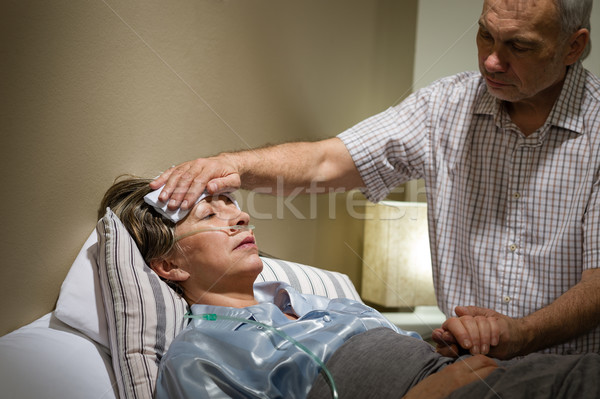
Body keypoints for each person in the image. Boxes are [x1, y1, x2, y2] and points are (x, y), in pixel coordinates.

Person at [149, 0, 600, 359]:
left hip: (571, 367)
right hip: (462, 362)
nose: (492, 61)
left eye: (518, 46)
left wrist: (520, 335)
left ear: (573, 46)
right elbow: (326, 162)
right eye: (485, 34)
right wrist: (234, 165)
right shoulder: (444, 106)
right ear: (168, 267)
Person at [99, 176, 600, 399]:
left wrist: (437, 345)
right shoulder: (199, 355)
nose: (240, 214)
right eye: (211, 213)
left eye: (232, 202)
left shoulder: (319, 302)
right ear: (168, 267)